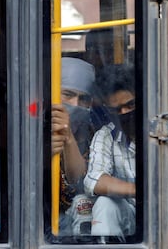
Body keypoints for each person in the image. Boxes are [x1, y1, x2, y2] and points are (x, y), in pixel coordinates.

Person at [83, 64, 136, 238]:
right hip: (131, 213)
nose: (125, 113)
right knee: (105, 204)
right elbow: (94, 180)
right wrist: (141, 190)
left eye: (131, 105)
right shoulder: (106, 135)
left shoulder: (161, 129)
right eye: (117, 110)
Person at [50, 57, 96, 237]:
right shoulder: (31, 126)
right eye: (68, 94)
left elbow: (79, 181)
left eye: (83, 98)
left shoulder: (92, 131)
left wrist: (68, 138)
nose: (76, 105)